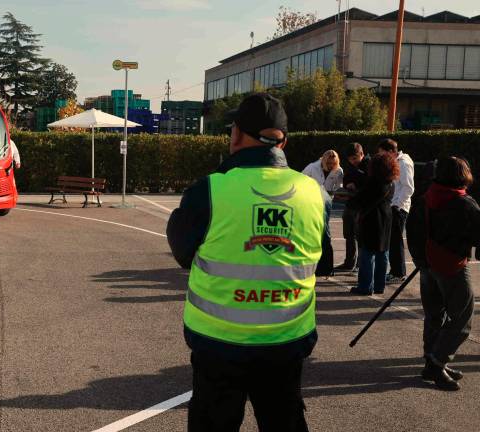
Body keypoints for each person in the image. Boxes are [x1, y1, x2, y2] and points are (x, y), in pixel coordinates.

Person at [166, 93, 327, 431]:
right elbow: (323, 262)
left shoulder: (209, 190)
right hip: (286, 341)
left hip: (218, 345)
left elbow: (182, 253)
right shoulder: (314, 192)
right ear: (283, 141)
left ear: (236, 134)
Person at [406, 157, 480, 391]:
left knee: (434, 315)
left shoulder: (425, 198)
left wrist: (420, 260)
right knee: (462, 318)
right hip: (453, 266)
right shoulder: (465, 204)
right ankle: (438, 362)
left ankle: (431, 360)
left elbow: (412, 230)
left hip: (427, 265)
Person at [347, 153, 399, 295]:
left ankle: (365, 286)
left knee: (367, 253)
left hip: (371, 219)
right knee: (383, 253)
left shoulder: (373, 183)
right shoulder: (391, 183)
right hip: (386, 217)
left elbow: (361, 200)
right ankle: (379, 286)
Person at [378, 139, 414, 283]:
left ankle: (398, 273)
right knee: (391, 240)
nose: (382, 157)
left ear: (392, 151)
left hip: (399, 208)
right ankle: (395, 271)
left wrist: (397, 206)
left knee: (395, 240)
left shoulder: (404, 163)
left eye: (383, 154)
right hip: (392, 205)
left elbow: (408, 188)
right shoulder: (395, 162)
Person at [336, 143, 370, 271]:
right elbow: (346, 179)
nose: (353, 162)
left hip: (362, 206)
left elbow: (370, 185)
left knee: (360, 236)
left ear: (362, 154)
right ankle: (349, 262)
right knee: (348, 234)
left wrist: (357, 187)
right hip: (350, 204)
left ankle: (361, 264)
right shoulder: (350, 166)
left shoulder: (369, 165)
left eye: (355, 159)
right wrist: (347, 184)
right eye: (350, 159)